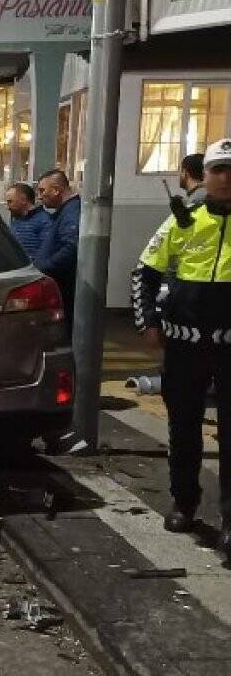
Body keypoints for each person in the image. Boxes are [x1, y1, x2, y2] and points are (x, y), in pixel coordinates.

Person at [131, 137, 231, 554]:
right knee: (183, 427)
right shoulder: (181, 220)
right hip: (185, 346)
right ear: (204, 175)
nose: (226, 178)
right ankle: (184, 502)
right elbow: (144, 274)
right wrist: (147, 323)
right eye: (218, 169)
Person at [34, 169, 82, 324]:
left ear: (56, 190)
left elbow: (71, 248)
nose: (40, 197)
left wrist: (44, 268)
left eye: (42, 191)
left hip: (64, 288)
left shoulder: (71, 213)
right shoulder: (66, 211)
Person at [5, 182, 50, 260]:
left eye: (10, 202)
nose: (7, 207)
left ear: (23, 200)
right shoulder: (16, 220)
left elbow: (46, 254)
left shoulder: (44, 221)